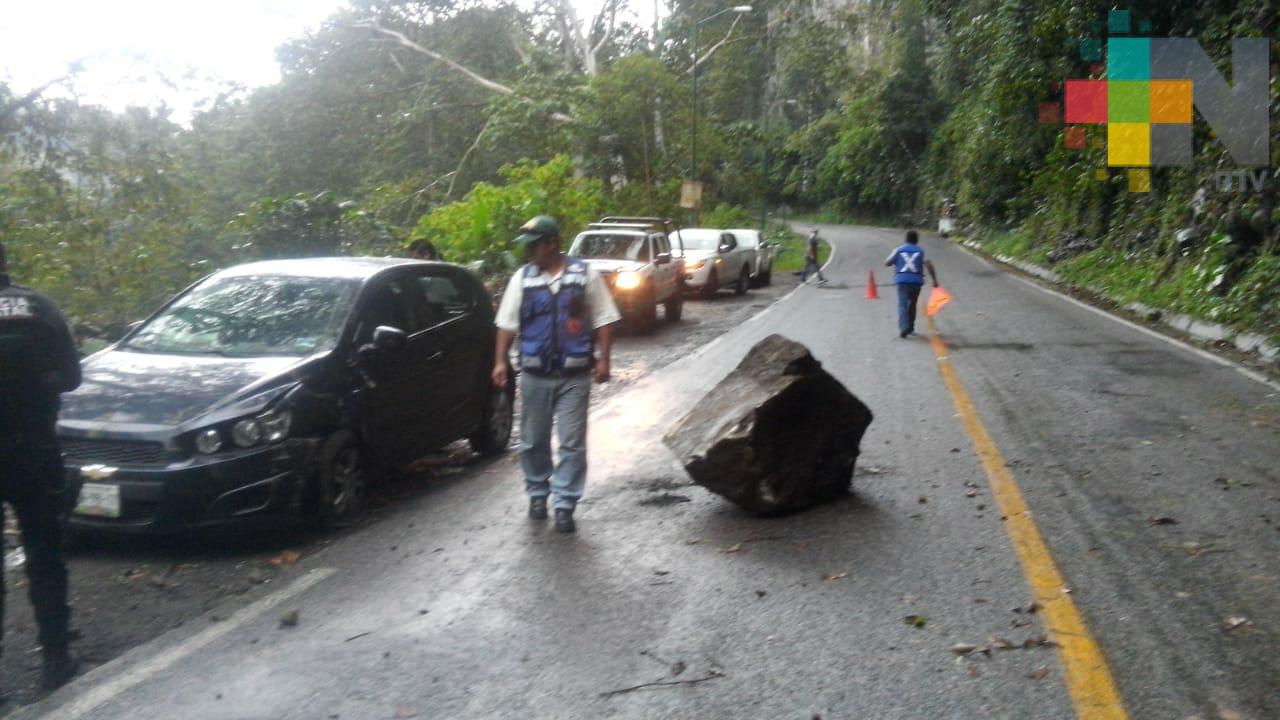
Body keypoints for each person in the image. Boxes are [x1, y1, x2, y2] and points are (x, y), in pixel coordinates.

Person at [491, 216, 620, 534]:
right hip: (535, 374)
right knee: (533, 441)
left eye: (534, 245)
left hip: (574, 375)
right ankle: (537, 493)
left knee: (572, 444)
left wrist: (604, 360)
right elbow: (507, 324)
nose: (529, 252)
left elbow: (604, 318)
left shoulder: (584, 275)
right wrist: (499, 363)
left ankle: (564, 503)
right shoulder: (522, 279)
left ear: (552, 244)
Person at [0, 241, 81, 693]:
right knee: (45, 557)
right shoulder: (40, 307)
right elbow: (72, 377)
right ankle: (55, 660)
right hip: (34, 450)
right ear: (6, 264)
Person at [884, 230, 939, 338]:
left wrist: (896, 261)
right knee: (912, 304)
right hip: (916, 282)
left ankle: (904, 327)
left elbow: (887, 262)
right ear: (917, 240)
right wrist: (934, 280)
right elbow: (929, 265)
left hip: (902, 281)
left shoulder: (898, 250)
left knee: (902, 304)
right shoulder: (921, 251)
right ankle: (911, 326)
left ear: (905, 239)